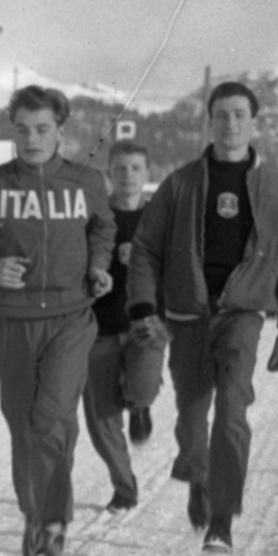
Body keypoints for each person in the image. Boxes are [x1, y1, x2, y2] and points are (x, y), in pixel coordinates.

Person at [128, 81, 278, 554]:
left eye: (239, 115)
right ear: (210, 122)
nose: (230, 124)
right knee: (191, 418)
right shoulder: (181, 183)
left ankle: (222, 518)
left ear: (254, 123)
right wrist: (145, 306)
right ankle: (199, 477)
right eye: (221, 115)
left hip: (241, 315)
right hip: (187, 314)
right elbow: (144, 246)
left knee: (231, 412)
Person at [0, 86, 115, 556]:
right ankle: (35, 514)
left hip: (71, 318)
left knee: (49, 417)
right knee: (27, 426)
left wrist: (99, 266)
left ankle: (52, 527)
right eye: (22, 129)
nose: (31, 138)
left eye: (42, 129)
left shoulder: (86, 182)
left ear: (61, 130)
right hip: (12, 323)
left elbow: (102, 229)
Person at [84, 140, 165, 516]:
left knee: (144, 386)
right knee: (100, 417)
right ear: (108, 174)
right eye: (120, 169)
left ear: (148, 174)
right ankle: (124, 487)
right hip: (99, 326)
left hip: (144, 325)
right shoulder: (95, 221)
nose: (128, 176)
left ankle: (140, 404)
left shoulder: (160, 222)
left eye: (135, 168)